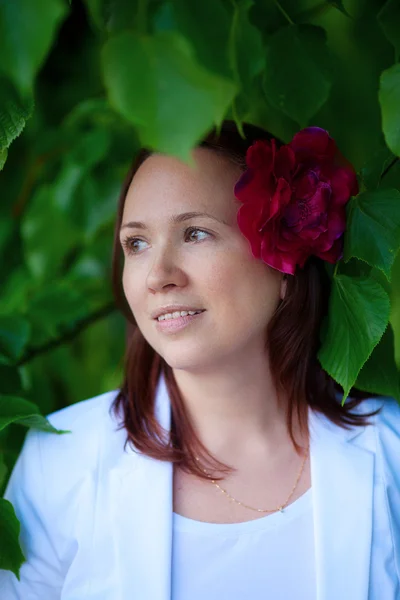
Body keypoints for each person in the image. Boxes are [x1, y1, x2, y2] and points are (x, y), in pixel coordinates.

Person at [0, 120, 399, 600]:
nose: (158, 276)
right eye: (137, 243)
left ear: (284, 265)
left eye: (195, 233)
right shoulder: (59, 465)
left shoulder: (393, 454)